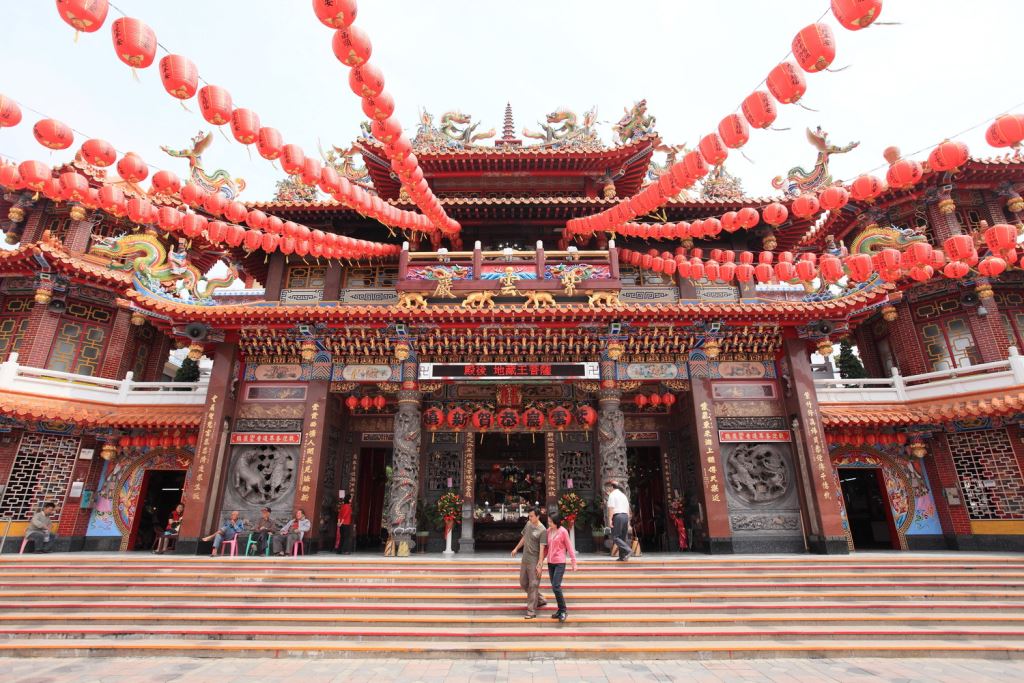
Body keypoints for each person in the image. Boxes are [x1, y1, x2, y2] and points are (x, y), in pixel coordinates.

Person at [510, 507, 548, 619]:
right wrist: (516, 548)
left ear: (538, 516)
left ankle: (531, 611)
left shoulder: (543, 530)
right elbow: (524, 538)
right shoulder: (528, 524)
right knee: (523, 583)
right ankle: (540, 599)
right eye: (529, 516)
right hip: (525, 559)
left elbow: (542, 549)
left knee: (533, 585)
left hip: (534, 561)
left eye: (531, 516)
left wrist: (540, 565)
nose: (529, 518)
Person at [541, 511, 576, 623]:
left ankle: (563, 611)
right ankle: (560, 610)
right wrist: (540, 561)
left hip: (560, 562)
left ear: (556, 522)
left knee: (556, 586)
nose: (549, 523)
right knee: (554, 587)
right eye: (548, 521)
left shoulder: (563, 531)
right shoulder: (548, 531)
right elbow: (546, 548)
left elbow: (569, 547)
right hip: (550, 563)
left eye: (551, 522)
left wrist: (573, 561)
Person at [605, 480, 632, 561]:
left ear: (611, 487)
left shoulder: (612, 495)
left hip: (618, 516)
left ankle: (628, 549)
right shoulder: (623, 495)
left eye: (608, 487)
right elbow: (628, 509)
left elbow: (611, 508)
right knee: (622, 537)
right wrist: (628, 521)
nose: (608, 489)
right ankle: (622, 556)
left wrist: (610, 520)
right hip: (625, 516)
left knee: (615, 537)